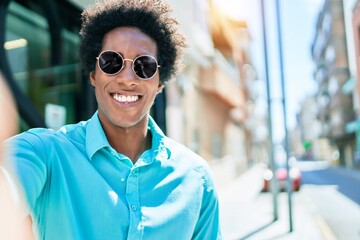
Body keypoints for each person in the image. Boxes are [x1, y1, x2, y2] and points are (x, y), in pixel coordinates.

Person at [3, 0, 222, 239]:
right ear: (93, 74)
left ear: (159, 83)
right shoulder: (46, 153)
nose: (127, 79)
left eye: (144, 65)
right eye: (111, 62)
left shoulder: (197, 178)